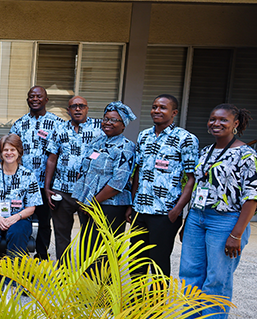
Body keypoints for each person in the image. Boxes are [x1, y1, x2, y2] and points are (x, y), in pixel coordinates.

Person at [179, 104, 256, 318]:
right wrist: (188, 222)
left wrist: (237, 234)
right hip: (197, 218)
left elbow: (252, 197)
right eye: (213, 119)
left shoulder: (246, 154)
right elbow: (198, 188)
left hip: (226, 221)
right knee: (189, 274)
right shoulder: (206, 151)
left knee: (217, 279)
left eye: (223, 120)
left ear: (235, 123)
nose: (216, 123)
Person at [128, 94, 198, 277]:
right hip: (140, 210)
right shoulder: (144, 136)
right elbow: (138, 171)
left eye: (162, 107)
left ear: (174, 112)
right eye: (154, 107)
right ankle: (136, 296)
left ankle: (158, 297)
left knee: (158, 262)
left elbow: (192, 178)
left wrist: (177, 210)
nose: (156, 110)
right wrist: (132, 204)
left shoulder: (186, 139)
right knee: (136, 262)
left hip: (165, 213)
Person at [44, 95, 102, 260]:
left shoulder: (99, 128)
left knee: (89, 234)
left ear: (87, 108)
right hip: (62, 189)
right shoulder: (59, 128)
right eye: (74, 106)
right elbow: (52, 159)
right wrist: (47, 187)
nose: (78, 109)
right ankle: (64, 269)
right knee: (61, 233)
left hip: (88, 191)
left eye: (81, 106)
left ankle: (87, 269)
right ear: (68, 110)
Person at [73, 102, 136, 248]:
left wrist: (92, 203)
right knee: (87, 247)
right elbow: (84, 169)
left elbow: (117, 183)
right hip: (88, 204)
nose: (108, 122)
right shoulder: (97, 141)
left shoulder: (126, 147)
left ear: (123, 125)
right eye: (106, 119)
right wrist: (83, 199)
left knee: (104, 250)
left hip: (109, 206)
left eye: (114, 120)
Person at [10, 86, 63, 260]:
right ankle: (20, 252)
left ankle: (41, 253)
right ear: (27, 100)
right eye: (31, 96)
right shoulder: (19, 124)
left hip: (45, 183)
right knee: (20, 217)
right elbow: (10, 151)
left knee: (43, 220)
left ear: (46, 100)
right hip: (21, 183)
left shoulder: (58, 123)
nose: (35, 99)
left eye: (39, 96)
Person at [0, 134, 42, 260]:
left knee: (18, 232)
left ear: (19, 152)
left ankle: (13, 271)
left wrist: (14, 218)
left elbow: (31, 207)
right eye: (5, 150)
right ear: (0, 153)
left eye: (13, 150)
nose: (9, 153)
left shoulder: (28, 176)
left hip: (19, 218)